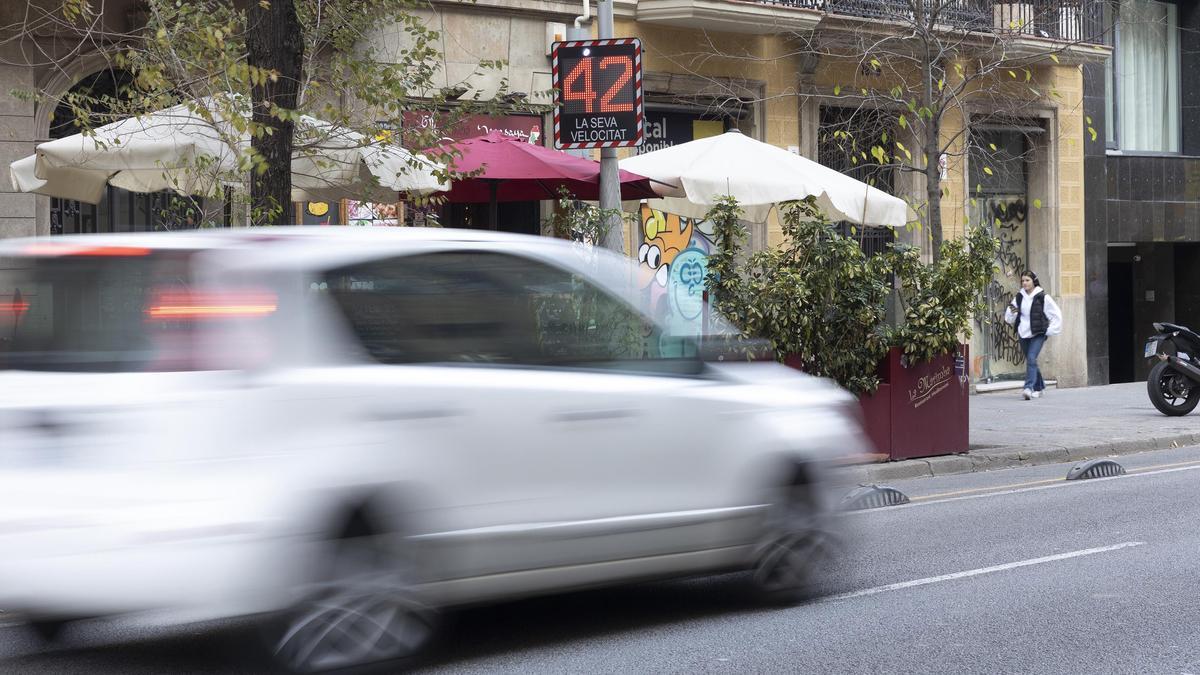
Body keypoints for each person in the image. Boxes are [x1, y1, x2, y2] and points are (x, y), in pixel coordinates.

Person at [1005, 271, 1062, 400]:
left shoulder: (1042, 297)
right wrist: (1013, 311)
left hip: (1038, 333)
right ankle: (1039, 387)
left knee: (1031, 358)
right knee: (1032, 361)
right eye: (1023, 281)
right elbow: (1011, 313)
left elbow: (1056, 314)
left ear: (1033, 281)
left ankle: (1028, 388)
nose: (1024, 283)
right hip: (1023, 333)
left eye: (1027, 280)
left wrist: (1049, 330)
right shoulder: (1019, 297)